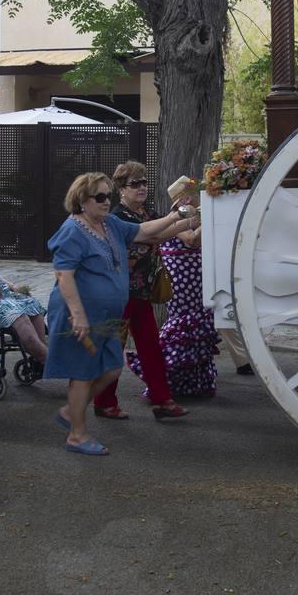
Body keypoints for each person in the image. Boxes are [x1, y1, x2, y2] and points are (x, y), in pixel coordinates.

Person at [44, 172, 197, 456]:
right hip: (80, 314)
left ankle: (70, 411)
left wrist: (179, 217)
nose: (106, 201)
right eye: (99, 197)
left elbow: (147, 232)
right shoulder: (72, 231)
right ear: (81, 200)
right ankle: (77, 434)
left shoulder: (109, 223)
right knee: (82, 373)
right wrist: (77, 316)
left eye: (108, 196)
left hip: (106, 315)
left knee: (112, 367)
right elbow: (64, 275)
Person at [93, 161, 188, 420]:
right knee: (114, 347)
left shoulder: (147, 213)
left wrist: (189, 216)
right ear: (121, 189)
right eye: (135, 184)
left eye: (144, 182)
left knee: (150, 347)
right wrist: (181, 218)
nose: (142, 187)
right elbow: (153, 237)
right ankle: (103, 401)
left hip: (141, 292)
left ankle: (162, 401)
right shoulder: (117, 218)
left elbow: (165, 232)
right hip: (121, 292)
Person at [156, 182, 219, 397]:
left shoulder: (197, 215)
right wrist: (207, 218)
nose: (198, 200)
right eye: (194, 196)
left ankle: (197, 381)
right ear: (185, 200)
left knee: (199, 322)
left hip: (196, 277)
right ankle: (171, 375)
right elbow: (191, 240)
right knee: (182, 323)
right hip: (181, 279)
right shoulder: (176, 217)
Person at [0, 278, 48, 365]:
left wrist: (12, 286)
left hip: (4, 294)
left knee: (33, 304)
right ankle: (44, 356)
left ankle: (40, 351)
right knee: (18, 315)